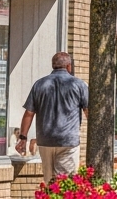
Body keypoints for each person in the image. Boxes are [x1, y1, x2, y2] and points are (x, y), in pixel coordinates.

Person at [16, 52, 89, 183]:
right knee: (66, 184)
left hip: (45, 141)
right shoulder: (78, 84)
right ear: (68, 66)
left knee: (50, 182)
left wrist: (23, 137)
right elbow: (88, 112)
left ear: (53, 66)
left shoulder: (39, 84)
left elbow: (29, 113)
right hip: (68, 141)